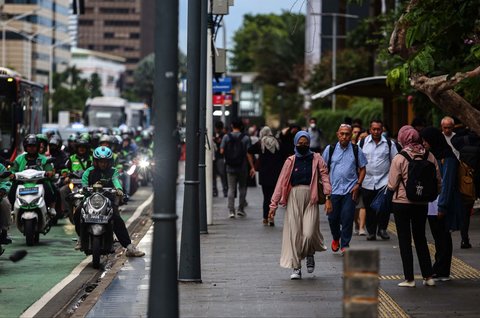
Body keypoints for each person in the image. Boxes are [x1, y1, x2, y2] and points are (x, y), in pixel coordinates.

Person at [268, 131, 332, 279]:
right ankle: (296, 267)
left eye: (306, 143)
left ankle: (310, 253)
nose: (303, 145)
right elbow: (281, 183)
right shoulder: (290, 161)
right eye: (300, 143)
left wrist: (328, 197)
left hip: (312, 198)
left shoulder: (317, 158)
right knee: (294, 234)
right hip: (293, 198)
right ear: (295, 143)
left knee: (309, 233)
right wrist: (273, 205)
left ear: (309, 143)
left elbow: (325, 177)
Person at [387, 125, 441, 287]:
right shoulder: (429, 156)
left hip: (402, 203)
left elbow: (391, 184)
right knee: (420, 238)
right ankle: (428, 276)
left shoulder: (400, 157)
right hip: (422, 202)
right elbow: (438, 180)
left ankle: (409, 279)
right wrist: (431, 195)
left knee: (404, 239)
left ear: (403, 139)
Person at [77, 146, 145, 257]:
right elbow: (84, 185)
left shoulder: (113, 172)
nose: (103, 164)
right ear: (96, 161)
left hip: (107, 201)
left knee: (117, 219)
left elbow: (116, 181)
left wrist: (119, 190)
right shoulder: (88, 172)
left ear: (109, 162)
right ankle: (81, 239)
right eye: (100, 161)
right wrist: (83, 189)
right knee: (78, 213)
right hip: (89, 200)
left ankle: (129, 247)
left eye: (105, 161)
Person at [421, 126, 464, 282]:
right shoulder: (432, 156)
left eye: (426, 140)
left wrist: (443, 206)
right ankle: (438, 266)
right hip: (432, 203)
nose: (424, 143)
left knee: (444, 237)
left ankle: (443, 269)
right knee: (437, 237)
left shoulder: (448, 157)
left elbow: (448, 183)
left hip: (442, 204)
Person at [322, 124, 367, 255]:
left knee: (347, 218)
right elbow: (323, 170)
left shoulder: (356, 149)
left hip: (350, 190)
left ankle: (345, 244)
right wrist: (326, 191)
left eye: (347, 134)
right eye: (342, 134)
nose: (344, 136)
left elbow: (363, 168)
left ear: (351, 135)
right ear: (338, 134)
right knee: (332, 218)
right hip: (333, 191)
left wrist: (358, 184)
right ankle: (336, 238)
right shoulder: (329, 149)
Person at [359, 119, 398, 241]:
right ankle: (371, 232)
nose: (376, 131)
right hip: (367, 181)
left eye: (378, 129)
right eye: (374, 129)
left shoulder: (389, 143)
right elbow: (357, 161)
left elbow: (395, 161)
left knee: (384, 207)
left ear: (382, 130)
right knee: (369, 208)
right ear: (370, 130)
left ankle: (382, 229)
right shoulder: (362, 143)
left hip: (384, 181)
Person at [9, 134, 56, 217]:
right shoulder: (19, 158)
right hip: (22, 182)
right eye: (29, 146)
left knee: (49, 188)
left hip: (39, 182)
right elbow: (12, 170)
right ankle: (12, 208)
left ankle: (51, 208)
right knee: (12, 190)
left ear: (37, 147)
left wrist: (49, 173)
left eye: (34, 146)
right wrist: (11, 174)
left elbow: (50, 170)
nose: (31, 148)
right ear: (25, 147)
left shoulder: (44, 159)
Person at [247, 126, 285, 226]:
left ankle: (265, 217)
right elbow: (284, 156)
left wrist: (252, 166)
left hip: (264, 174)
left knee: (266, 197)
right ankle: (271, 217)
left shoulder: (260, 143)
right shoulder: (278, 143)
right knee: (274, 197)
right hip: (277, 174)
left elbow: (249, 151)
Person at [220, 120, 251, 218]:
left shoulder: (226, 137)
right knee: (242, 188)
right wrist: (252, 166)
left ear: (232, 125)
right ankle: (241, 209)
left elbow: (221, 151)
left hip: (230, 166)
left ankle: (231, 211)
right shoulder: (245, 138)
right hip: (242, 166)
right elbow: (248, 153)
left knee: (231, 188)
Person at [351, 124, 367, 236]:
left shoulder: (363, 147)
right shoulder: (353, 148)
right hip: (352, 180)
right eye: (354, 132)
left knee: (362, 205)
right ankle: (356, 223)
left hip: (364, 180)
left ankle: (361, 227)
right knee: (354, 205)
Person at [213, 121, 228, 198]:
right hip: (214, 157)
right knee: (215, 175)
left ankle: (224, 190)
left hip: (219, 157)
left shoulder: (224, 136)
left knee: (222, 174)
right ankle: (215, 190)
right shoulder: (213, 134)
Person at [0, 162, 12, 244]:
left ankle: (4, 231)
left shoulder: (0, 167)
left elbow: (6, 181)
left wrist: (3, 190)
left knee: (5, 203)